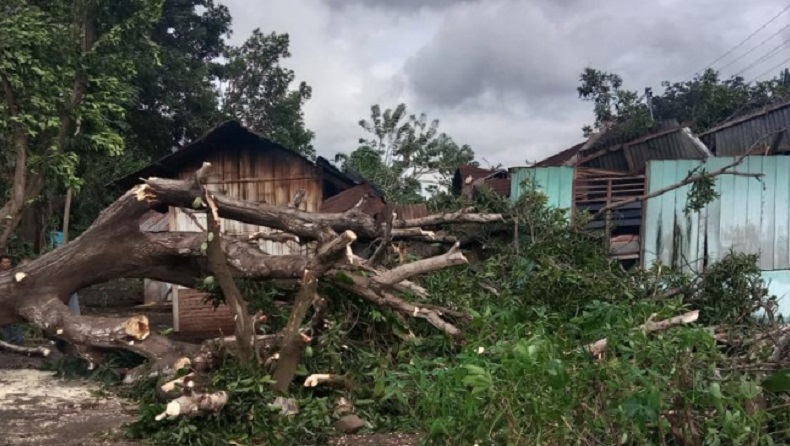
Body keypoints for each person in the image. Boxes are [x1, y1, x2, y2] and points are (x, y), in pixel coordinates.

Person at [0, 255, 24, 345]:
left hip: (13, 301)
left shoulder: (13, 274)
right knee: (4, 323)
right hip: (2, 302)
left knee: (16, 321)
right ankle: (9, 341)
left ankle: (19, 341)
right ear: (0, 263)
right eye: (5, 262)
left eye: (8, 262)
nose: (7, 264)